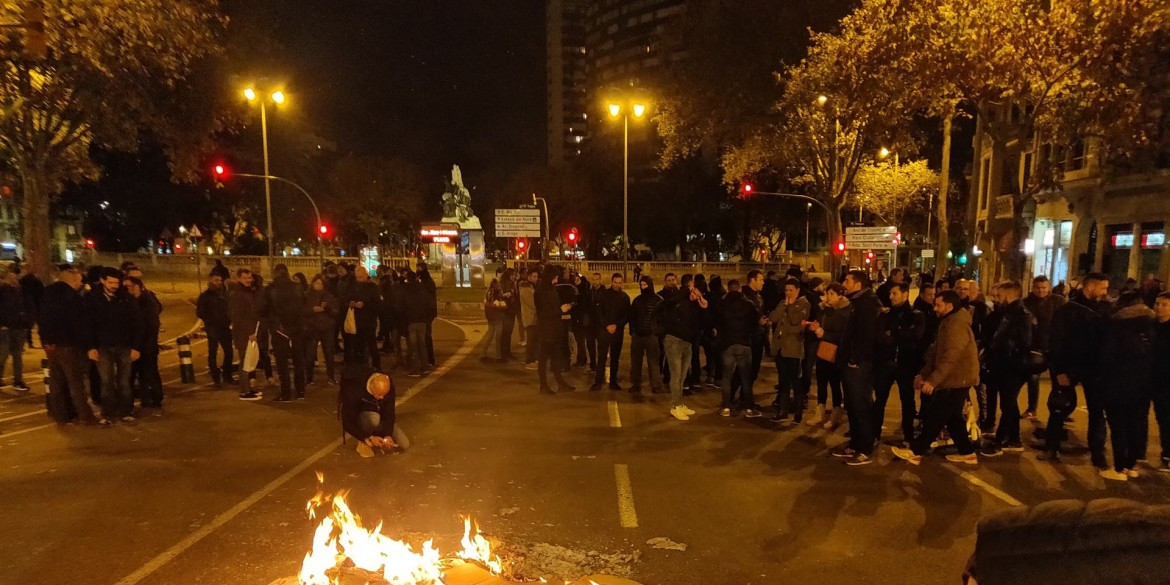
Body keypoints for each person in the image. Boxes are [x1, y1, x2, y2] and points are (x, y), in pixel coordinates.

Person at [890, 289, 980, 465]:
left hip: (957, 378)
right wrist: (923, 374)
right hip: (953, 378)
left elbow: (951, 356)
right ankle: (967, 452)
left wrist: (933, 380)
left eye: (938, 305)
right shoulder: (947, 322)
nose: (935, 308)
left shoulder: (956, 325)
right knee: (953, 418)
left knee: (935, 416)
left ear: (949, 305)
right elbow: (935, 353)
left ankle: (916, 451)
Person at [1045, 272, 1112, 465]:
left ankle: (1097, 452)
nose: (1105, 292)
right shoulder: (1068, 310)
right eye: (1103, 288)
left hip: (1095, 368)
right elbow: (1056, 342)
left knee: (1097, 411)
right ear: (1090, 287)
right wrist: (1059, 371)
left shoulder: (1105, 310)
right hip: (1069, 367)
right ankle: (1052, 447)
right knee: (1059, 407)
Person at [1097, 292, 1156, 481]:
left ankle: (1118, 468)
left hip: (1117, 384)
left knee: (1118, 425)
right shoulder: (1152, 326)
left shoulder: (1117, 326)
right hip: (1143, 385)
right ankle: (1131, 465)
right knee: (1135, 424)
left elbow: (1106, 358)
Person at [833, 269, 882, 466]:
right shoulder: (857, 302)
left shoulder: (867, 304)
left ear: (858, 284)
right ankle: (855, 443)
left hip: (860, 364)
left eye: (847, 280)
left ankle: (865, 448)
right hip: (851, 362)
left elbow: (866, 336)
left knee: (860, 405)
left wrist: (855, 358)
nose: (844, 283)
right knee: (852, 405)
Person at [981, 281, 1034, 457]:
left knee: (1008, 404)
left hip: (1012, 367)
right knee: (1009, 403)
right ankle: (1014, 439)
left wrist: (1005, 351)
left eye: (999, 296)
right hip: (1004, 364)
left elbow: (1024, 342)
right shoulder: (1008, 313)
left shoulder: (1021, 314)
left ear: (1010, 295)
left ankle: (1000, 441)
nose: (996, 299)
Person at [39, 265, 98, 424]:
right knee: (75, 382)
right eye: (79, 280)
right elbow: (79, 324)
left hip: (51, 345)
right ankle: (86, 416)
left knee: (56, 381)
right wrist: (88, 345)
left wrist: (46, 340)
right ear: (72, 280)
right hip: (69, 345)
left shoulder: (47, 294)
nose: (81, 284)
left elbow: (43, 319)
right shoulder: (72, 297)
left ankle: (60, 415)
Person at [85, 267, 144, 425]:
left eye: (116, 282)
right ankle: (108, 413)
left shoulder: (126, 298)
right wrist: (91, 347)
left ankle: (126, 410)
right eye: (110, 282)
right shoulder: (92, 299)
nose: (114, 286)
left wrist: (136, 347)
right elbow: (87, 325)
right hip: (102, 347)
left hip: (124, 346)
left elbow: (137, 323)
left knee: (125, 381)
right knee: (106, 381)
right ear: (103, 281)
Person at [873, 280, 926, 446]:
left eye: (894, 293)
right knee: (880, 400)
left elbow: (916, 336)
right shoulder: (886, 314)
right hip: (886, 363)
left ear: (905, 294)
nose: (891, 297)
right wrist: (901, 334)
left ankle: (908, 435)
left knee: (907, 401)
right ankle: (875, 434)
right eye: (890, 294)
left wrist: (894, 333)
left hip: (906, 364)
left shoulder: (916, 315)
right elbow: (880, 337)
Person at [660, 272, 705, 420]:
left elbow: (700, 320)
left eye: (696, 292)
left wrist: (701, 303)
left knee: (683, 376)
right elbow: (669, 302)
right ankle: (675, 405)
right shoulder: (678, 298)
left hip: (687, 342)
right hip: (674, 340)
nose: (694, 294)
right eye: (693, 290)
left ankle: (680, 403)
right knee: (676, 375)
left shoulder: (693, 304)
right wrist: (686, 290)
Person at [340, 364, 408, 457]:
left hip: (378, 414)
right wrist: (368, 438)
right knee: (374, 418)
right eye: (379, 394)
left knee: (404, 443)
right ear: (371, 388)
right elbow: (347, 421)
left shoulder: (388, 384)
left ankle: (376, 435)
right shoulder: (354, 390)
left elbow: (389, 413)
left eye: (384, 394)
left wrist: (387, 434)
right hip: (363, 416)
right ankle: (363, 441)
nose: (382, 397)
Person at [808, 283, 850, 429]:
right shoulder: (824, 309)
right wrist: (816, 328)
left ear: (840, 295)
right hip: (823, 350)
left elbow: (843, 335)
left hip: (836, 352)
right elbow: (821, 326)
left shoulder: (845, 312)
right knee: (821, 383)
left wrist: (824, 334)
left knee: (834, 384)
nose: (829, 297)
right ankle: (819, 412)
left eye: (832, 294)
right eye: (828, 293)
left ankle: (835, 414)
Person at [1022, 275, 1065, 419]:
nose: (1041, 291)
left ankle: (1059, 409)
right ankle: (1032, 408)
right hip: (1036, 346)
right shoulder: (1026, 303)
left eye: (1044, 287)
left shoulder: (1058, 302)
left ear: (1049, 287)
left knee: (1058, 380)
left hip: (1054, 346)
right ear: (1033, 288)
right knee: (1033, 378)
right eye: (1038, 288)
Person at [264, 264, 307, 402]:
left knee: (282, 363)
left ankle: (286, 392)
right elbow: (302, 307)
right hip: (296, 329)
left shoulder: (270, 289)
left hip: (279, 329)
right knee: (298, 360)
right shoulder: (297, 288)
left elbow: (263, 309)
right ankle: (300, 391)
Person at [769, 278, 810, 423]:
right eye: (786, 290)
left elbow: (796, 322)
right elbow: (773, 318)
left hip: (793, 349)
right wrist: (784, 306)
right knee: (783, 381)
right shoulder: (783, 303)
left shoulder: (804, 304)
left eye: (791, 290)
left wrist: (790, 307)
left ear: (797, 291)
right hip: (780, 348)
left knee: (796, 381)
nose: (788, 293)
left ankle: (798, 412)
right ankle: (783, 411)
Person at [717, 279, 760, 416]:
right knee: (745, 377)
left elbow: (717, 322)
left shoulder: (722, 305)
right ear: (739, 288)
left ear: (729, 289)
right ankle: (748, 407)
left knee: (726, 378)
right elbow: (755, 323)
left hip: (727, 344)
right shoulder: (748, 305)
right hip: (744, 343)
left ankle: (726, 407)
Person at [124, 276, 163, 414]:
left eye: (128, 286)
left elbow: (152, 325)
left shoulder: (148, 301)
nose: (126, 289)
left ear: (137, 286)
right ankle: (141, 399)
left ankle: (155, 398)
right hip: (133, 345)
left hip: (147, 345)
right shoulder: (127, 301)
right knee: (131, 374)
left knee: (149, 372)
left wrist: (147, 345)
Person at [535, 268, 574, 393]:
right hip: (546, 330)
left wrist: (563, 309)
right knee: (544, 357)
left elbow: (554, 307)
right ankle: (543, 384)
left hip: (556, 328)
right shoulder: (540, 292)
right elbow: (544, 312)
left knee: (556, 357)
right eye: (555, 278)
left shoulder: (552, 289)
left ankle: (560, 383)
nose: (556, 281)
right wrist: (560, 310)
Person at [229, 268, 266, 401]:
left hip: (251, 333)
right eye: (245, 278)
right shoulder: (237, 294)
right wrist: (249, 332)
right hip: (244, 335)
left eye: (249, 278)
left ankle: (248, 389)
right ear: (239, 278)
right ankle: (244, 391)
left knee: (249, 361)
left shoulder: (249, 292)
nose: (248, 280)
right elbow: (238, 317)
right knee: (245, 362)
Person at [591, 273, 630, 391]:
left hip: (617, 331)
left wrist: (616, 325)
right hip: (604, 330)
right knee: (602, 357)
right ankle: (598, 381)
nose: (617, 285)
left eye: (619, 283)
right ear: (612, 282)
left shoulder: (625, 297)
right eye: (615, 282)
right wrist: (606, 325)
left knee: (615, 358)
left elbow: (627, 315)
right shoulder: (603, 295)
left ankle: (613, 381)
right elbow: (598, 313)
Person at [628, 275, 663, 395]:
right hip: (638, 335)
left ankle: (656, 385)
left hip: (651, 335)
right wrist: (632, 331)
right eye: (641, 285)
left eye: (645, 285)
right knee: (636, 361)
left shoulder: (658, 300)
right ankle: (636, 384)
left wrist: (657, 331)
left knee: (653, 361)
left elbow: (662, 318)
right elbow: (632, 317)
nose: (643, 287)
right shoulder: (637, 300)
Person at [196, 272, 234, 387]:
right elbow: (200, 312)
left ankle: (227, 375)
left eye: (220, 280)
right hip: (212, 327)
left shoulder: (225, 294)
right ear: (210, 281)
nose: (219, 283)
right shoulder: (205, 296)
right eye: (216, 280)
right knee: (213, 352)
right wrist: (210, 319)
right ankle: (215, 377)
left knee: (229, 352)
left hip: (225, 327)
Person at [0, 268, 33, 392]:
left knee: (17, 356)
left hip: (19, 327)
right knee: (3, 355)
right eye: (10, 278)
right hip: (6, 327)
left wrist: (27, 323)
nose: (13, 280)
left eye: (15, 278)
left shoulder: (21, 291)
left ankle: (18, 380)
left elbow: (29, 306)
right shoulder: (3, 291)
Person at [344, 266, 382, 370]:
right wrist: (350, 303)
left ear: (366, 276)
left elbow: (378, 304)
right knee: (358, 347)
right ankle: (360, 368)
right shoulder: (352, 287)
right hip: (356, 322)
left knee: (372, 346)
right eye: (357, 277)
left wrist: (364, 305)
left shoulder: (373, 287)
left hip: (369, 322)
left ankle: (376, 367)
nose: (358, 279)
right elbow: (346, 299)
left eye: (360, 277)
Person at [305, 274, 340, 385]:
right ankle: (309, 378)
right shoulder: (307, 296)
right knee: (310, 354)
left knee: (329, 353)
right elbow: (302, 311)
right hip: (312, 328)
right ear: (313, 283)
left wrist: (327, 309)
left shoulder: (329, 297)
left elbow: (336, 312)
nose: (319, 285)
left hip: (326, 328)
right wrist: (312, 310)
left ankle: (331, 376)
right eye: (317, 283)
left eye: (321, 284)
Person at [399, 270, 431, 377]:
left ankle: (416, 369)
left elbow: (401, 306)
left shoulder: (405, 290)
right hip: (422, 321)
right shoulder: (422, 289)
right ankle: (425, 366)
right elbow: (428, 304)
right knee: (422, 344)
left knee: (413, 346)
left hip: (411, 321)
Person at [1152, 292, 1170, 473]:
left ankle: (1168, 454)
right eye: (1157, 304)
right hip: (1152, 379)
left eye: (1164, 305)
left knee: (1167, 419)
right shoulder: (1151, 326)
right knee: (1160, 416)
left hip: (1167, 381)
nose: (1159, 308)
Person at [417, 262, 438, 366]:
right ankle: (429, 359)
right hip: (430, 311)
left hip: (426, 312)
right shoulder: (428, 280)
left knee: (426, 336)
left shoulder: (424, 282)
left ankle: (429, 359)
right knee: (426, 335)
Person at [482, 278, 507, 362]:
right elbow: (499, 303)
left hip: (490, 316)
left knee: (490, 336)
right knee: (498, 337)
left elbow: (486, 303)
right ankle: (498, 356)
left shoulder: (488, 292)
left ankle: (483, 353)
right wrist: (502, 305)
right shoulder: (496, 293)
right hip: (497, 316)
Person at [498, 268, 520, 361]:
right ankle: (503, 353)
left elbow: (516, 294)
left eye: (514, 275)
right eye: (512, 275)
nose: (513, 277)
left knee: (509, 332)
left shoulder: (513, 284)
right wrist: (509, 294)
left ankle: (508, 352)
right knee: (505, 333)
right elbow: (501, 295)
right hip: (505, 310)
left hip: (512, 310)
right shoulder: (503, 284)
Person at [520, 268, 539, 370]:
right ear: (529, 277)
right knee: (531, 341)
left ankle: (534, 359)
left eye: (537, 276)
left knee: (534, 341)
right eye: (534, 277)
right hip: (530, 319)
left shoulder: (532, 287)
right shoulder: (526, 290)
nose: (536, 278)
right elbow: (533, 305)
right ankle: (529, 361)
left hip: (534, 319)